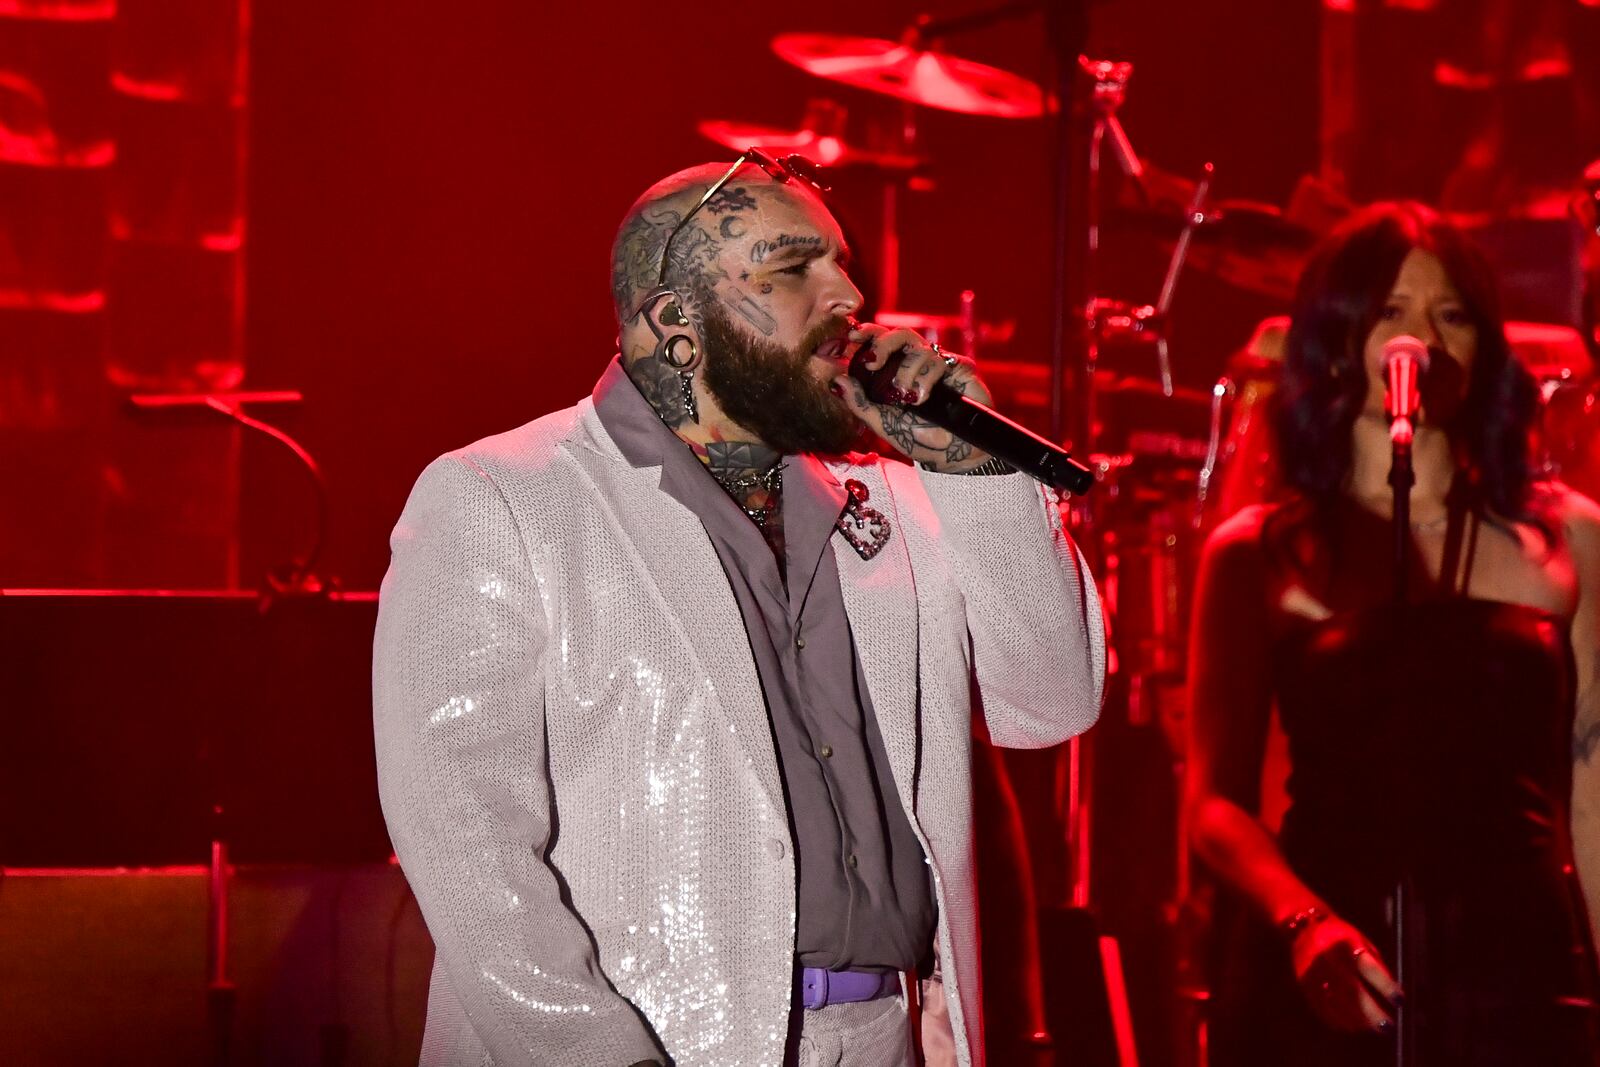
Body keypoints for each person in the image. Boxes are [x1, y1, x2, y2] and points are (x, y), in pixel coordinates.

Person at [371, 150, 1106, 1067]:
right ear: (677, 322)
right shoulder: (505, 499)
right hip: (655, 1040)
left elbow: (1050, 702)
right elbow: (467, 842)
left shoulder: (896, 499)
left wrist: (972, 466)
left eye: (844, 265)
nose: (847, 297)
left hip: (888, 1034)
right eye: (795, 268)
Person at [1186, 200, 1600, 1065]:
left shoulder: (1569, 541)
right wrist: (1302, 922)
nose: (1424, 338)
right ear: (1338, 338)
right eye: (1391, 312)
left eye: (1451, 314)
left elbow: (1591, 789)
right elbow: (1217, 805)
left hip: (1516, 968)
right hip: (1335, 958)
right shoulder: (1259, 552)